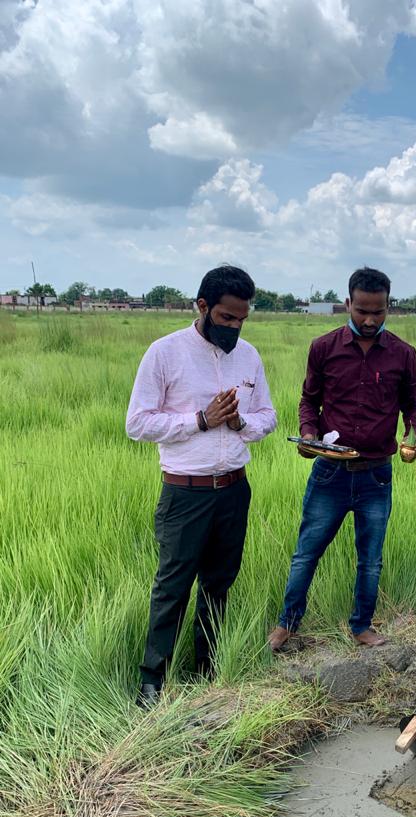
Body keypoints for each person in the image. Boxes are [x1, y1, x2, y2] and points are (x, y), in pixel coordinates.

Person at [126, 265, 276, 707]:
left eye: (242, 319)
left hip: (233, 489)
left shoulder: (248, 356)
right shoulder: (165, 353)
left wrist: (238, 420)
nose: (234, 327)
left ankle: (209, 670)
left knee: (218, 583)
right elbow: (137, 423)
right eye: (227, 318)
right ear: (203, 306)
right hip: (185, 492)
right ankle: (153, 683)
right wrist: (200, 420)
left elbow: (267, 416)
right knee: (172, 586)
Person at [268, 266, 416, 651]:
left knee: (370, 559)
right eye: (362, 311)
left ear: (389, 306)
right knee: (307, 552)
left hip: (376, 476)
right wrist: (308, 435)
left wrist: (415, 431)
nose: (370, 320)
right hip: (330, 472)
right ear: (348, 303)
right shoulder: (324, 347)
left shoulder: (403, 354)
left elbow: (412, 402)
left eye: (379, 311)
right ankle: (287, 624)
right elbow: (309, 399)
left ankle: (362, 626)